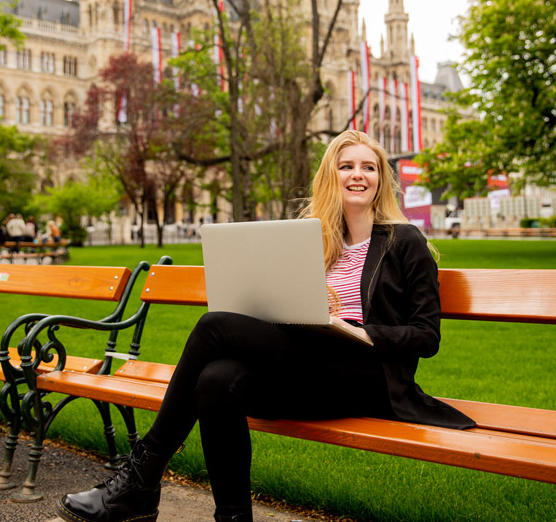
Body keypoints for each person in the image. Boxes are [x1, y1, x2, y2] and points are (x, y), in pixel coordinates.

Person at [56, 130, 474, 522]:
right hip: (313, 368)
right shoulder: (315, 239)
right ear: (332, 175)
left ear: (382, 178)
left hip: (369, 377)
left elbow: (426, 336)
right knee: (217, 380)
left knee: (214, 325)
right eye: (347, 166)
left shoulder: (405, 241)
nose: (358, 175)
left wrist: (358, 330)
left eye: (369, 167)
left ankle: (140, 480)